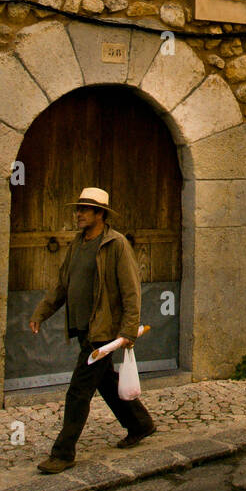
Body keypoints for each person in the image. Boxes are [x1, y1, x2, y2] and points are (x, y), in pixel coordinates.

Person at [29, 187, 156, 473]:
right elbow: (63, 285)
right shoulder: (77, 244)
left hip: (104, 331)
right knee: (105, 381)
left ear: (100, 214)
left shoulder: (116, 244)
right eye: (78, 209)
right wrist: (42, 312)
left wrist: (127, 332)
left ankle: (63, 454)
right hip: (85, 329)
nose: (79, 214)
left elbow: (131, 291)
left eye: (85, 209)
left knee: (78, 391)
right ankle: (140, 424)